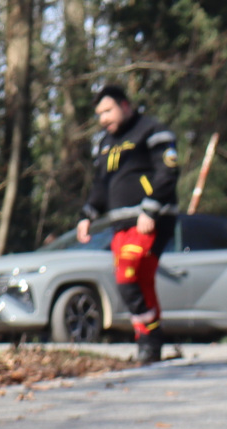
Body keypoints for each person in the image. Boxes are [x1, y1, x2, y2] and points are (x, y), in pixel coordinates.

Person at [76, 85, 180, 363]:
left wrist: (151, 208)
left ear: (125, 106)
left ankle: (150, 336)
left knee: (127, 278)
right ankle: (150, 342)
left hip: (149, 220)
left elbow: (168, 172)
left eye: (107, 111)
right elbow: (100, 184)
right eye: (99, 114)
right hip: (119, 223)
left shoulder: (152, 131)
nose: (103, 119)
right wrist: (87, 215)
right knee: (142, 281)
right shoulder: (105, 143)